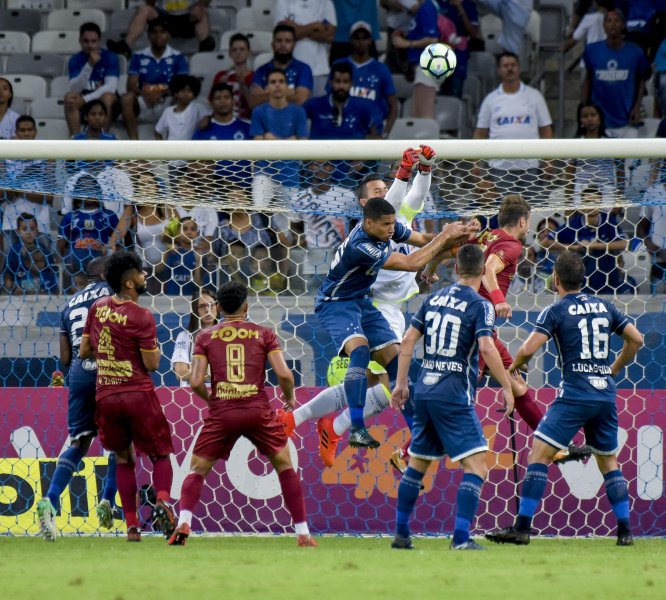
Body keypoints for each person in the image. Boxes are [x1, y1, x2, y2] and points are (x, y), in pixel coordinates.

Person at [278, 147, 446, 466]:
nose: (385, 191)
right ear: (365, 207)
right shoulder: (367, 236)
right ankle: (347, 426)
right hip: (363, 304)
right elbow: (410, 259)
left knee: (394, 377)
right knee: (388, 383)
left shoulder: (394, 219)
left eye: (387, 186)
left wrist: (424, 169)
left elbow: (416, 203)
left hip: (377, 305)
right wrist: (404, 173)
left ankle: (317, 422)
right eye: (377, 190)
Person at [485, 251, 643, 546]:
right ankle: (625, 532)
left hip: (575, 394)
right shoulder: (604, 306)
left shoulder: (556, 311)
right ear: (582, 279)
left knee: (539, 455)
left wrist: (514, 366)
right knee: (609, 463)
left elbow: (529, 349)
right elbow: (637, 339)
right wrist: (614, 369)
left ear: (555, 280)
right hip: (604, 394)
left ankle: (522, 528)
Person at [426, 195, 591, 463]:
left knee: (517, 385)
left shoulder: (486, 237)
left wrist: (430, 268)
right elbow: (489, 270)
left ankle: (557, 447)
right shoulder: (511, 245)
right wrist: (499, 300)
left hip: (478, 322)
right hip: (474, 325)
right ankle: (407, 451)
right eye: (528, 223)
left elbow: (447, 252)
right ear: (523, 221)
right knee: (456, 394)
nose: (528, 229)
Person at [311, 195, 473, 449]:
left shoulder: (386, 228)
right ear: (368, 223)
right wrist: (445, 238)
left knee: (398, 362)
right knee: (361, 350)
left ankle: (418, 438)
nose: (391, 229)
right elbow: (411, 263)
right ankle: (356, 428)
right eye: (386, 225)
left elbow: (421, 240)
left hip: (361, 301)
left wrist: (456, 237)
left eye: (392, 224)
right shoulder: (361, 246)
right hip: (336, 303)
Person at [168, 281, 317, 547]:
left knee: (197, 470)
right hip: (257, 410)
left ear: (220, 307)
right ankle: (303, 533)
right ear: (246, 307)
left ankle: (184, 522)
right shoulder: (264, 334)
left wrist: (213, 402)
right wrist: (289, 396)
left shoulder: (204, 336)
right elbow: (284, 374)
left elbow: (195, 381)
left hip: (223, 410)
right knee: (284, 465)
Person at [390, 244, 514, 550]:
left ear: (456, 268)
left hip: (426, 389)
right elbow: (486, 348)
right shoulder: (480, 305)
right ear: (483, 270)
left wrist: (402, 383)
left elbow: (407, 341)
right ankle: (460, 538)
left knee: (417, 465)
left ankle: (401, 534)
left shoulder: (433, 298)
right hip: (454, 392)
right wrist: (508, 386)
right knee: (476, 466)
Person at [79, 250, 176, 542]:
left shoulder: (97, 308)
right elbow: (152, 364)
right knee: (160, 453)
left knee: (123, 459)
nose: (145, 275)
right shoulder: (141, 315)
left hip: (106, 395)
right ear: (130, 283)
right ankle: (162, 503)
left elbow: (84, 351)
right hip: (136, 392)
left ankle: (132, 527)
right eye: (140, 272)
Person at [36, 258, 118, 541]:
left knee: (79, 443)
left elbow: (65, 358)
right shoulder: (115, 294)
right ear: (107, 273)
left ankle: (50, 500)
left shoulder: (69, 303)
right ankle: (108, 501)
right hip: (109, 371)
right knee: (121, 443)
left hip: (79, 376)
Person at [472, 52, 553, 200]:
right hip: (500, 169)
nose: (510, 69)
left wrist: (547, 160)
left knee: (532, 212)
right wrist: (476, 163)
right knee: (506, 214)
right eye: (505, 66)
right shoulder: (491, 99)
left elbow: (546, 130)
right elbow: (480, 133)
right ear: (499, 70)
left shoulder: (534, 96)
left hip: (531, 167)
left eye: (513, 65)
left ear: (519, 68)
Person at [582, 9, 651, 138]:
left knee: (632, 157)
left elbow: (642, 79)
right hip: (601, 123)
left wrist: (637, 107)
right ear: (604, 26)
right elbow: (588, 78)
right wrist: (585, 105)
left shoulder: (635, 52)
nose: (612, 24)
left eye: (616, 21)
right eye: (608, 21)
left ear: (623, 25)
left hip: (627, 121)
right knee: (601, 158)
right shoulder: (592, 50)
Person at [120, 17, 190, 140]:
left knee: (182, 97)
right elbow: (130, 86)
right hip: (144, 100)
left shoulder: (178, 57)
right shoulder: (138, 56)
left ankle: (173, 142)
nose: (158, 35)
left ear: (168, 35)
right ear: (148, 35)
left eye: (162, 32)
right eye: (154, 32)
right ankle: (134, 144)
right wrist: (145, 94)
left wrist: (160, 93)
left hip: (168, 100)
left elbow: (180, 86)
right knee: (126, 99)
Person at [250, 68, 308, 208]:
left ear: (287, 87)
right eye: (273, 82)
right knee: (259, 210)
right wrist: (290, 141)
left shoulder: (298, 112)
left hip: (290, 174)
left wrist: (271, 139)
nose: (277, 85)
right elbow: (258, 145)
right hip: (264, 172)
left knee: (290, 223)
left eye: (281, 82)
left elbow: (303, 146)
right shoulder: (258, 111)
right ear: (267, 88)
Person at [333, 20, 398, 136]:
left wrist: (385, 134)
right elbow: (330, 99)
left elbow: (393, 105)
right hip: (344, 131)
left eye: (364, 38)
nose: (361, 42)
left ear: (370, 41)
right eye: (357, 38)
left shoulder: (381, 69)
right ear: (351, 40)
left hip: (372, 133)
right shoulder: (339, 65)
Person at [65, 22, 120, 136]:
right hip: (85, 99)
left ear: (99, 41)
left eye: (93, 41)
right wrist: (89, 65)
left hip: (103, 100)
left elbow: (111, 87)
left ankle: (102, 138)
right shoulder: (75, 60)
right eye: (86, 41)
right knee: (69, 98)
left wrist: (85, 99)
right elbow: (75, 88)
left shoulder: (110, 57)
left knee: (108, 97)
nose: (90, 45)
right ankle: (76, 140)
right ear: (80, 40)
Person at [107, 0, 215, 58]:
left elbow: (205, 2)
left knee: (201, 11)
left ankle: (204, 48)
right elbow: (150, 3)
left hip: (188, 17)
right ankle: (125, 45)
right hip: (165, 18)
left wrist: (199, 5)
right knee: (144, 9)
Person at [274, 0, 337, 97]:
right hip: (290, 69)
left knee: (317, 110)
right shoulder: (282, 2)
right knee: (293, 108)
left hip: (319, 70)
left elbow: (330, 37)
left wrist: (296, 28)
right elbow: (283, 35)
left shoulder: (325, 2)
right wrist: (314, 26)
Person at [390, 0, 440, 119]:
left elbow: (433, 39)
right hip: (419, 65)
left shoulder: (427, 7)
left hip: (427, 65)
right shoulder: (419, 9)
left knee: (424, 115)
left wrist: (407, 44)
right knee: (416, 113)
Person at [304, 62, 379, 140]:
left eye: (345, 82)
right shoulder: (314, 105)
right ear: (330, 82)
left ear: (351, 84)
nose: (341, 86)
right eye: (337, 81)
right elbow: (296, 117)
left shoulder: (361, 108)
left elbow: (374, 134)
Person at [249, 24, 314, 110]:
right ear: (272, 44)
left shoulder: (303, 69)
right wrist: (287, 93)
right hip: (267, 120)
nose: (283, 45)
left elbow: (300, 100)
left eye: (287, 41)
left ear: (294, 45)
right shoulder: (261, 71)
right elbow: (253, 103)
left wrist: (266, 94)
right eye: (279, 41)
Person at [171, 287, 219, 385]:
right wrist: (210, 374)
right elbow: (180, 372)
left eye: (211, 305)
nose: (207, 310)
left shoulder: (226, 336)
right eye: (202, 306)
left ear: (217, 307)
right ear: (195, 310)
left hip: (220, 395)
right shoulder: (185, 336)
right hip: (191, 397)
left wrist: (194, 370)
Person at [3, 213, 58, 295]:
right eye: (25, 229)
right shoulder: (14, 252)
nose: (29, 232)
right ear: (18, 231)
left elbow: (52, 272)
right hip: (20, 292)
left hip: (43, 291)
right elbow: (7, 273)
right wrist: (9, 283)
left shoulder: (44, 251)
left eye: (32, 229)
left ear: (37, 230)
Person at [209, 33, 253, 120]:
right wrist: (218, 87)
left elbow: (255, 106)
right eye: (234, 50)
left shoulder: (255, 76)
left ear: (248, 52)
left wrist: (244, 87)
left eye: (242, 49)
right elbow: (211, 103)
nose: (238, 53)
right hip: (224, 120)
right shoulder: (221, 76)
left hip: (246, 121)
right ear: (229, 53)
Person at [155, 74, 207, 141]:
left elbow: (211, 116)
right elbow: (157, 132)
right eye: (182, 91)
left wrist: (207, 118)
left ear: (194, 94)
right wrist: (163, 147)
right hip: (172, 149)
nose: (186, 94)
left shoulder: (197, 108)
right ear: (176, 93)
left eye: (189, 91)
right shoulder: (168, 111)